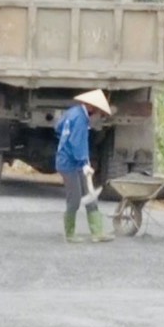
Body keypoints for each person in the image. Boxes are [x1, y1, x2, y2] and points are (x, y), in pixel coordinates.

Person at [55, 89, 113, 243]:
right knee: (74, 199)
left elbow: (58, 127)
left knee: (89, 194)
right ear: (92, 107)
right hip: (70, 163)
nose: (98, 114)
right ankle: (70, 233)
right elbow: (77, 143)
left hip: (69, 160)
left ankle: (97, 232)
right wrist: (83, 163)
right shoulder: (80, 119)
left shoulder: (72, 112)